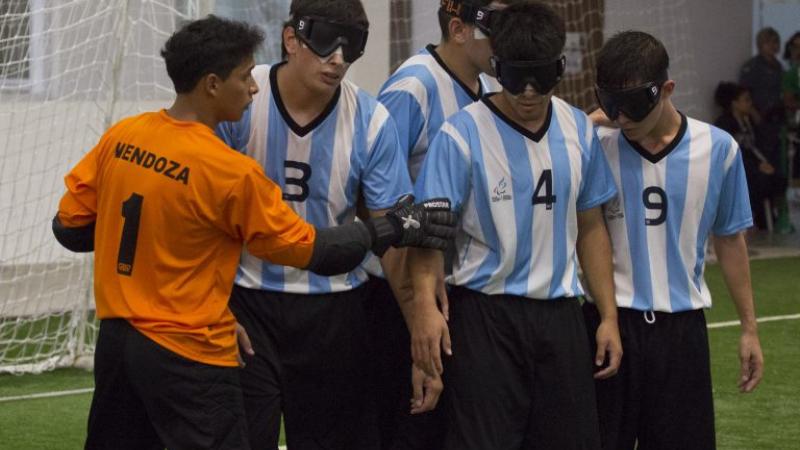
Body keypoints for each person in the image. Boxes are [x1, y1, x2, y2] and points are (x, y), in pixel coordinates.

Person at [52, 15, 456, 450]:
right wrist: (397, 224)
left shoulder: (123, 136)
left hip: (117, 343)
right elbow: (316, 250)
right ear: (211, 85)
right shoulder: (229, 171)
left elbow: (70, 228)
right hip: (190, 348)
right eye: (244, 77)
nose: (253, 87)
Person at [408, 3, 622, 449]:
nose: (527, 92)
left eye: (540, 78)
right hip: (486, 317)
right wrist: (425, 311)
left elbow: (591, 227)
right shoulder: (459, 135)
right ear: (496, 65)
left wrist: (608, 315)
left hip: (561, 316)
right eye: (514, 76)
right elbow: (429, 238)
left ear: (560, 68)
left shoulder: (578, 130)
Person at [214, 1, 425, 448]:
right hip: (246, 306)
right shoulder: (240, 100)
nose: (339, 59)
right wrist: (213, 309)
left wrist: (420, 328)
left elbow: (394, 237)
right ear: (291, 39)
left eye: (353, 46)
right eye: (327, 41)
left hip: (334, 312)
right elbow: (201, 218)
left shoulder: (372, 121)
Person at [589, 30, 765, 450]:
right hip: (608, 325)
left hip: (681, 334)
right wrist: (586, 120)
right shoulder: (594, 145)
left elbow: (729, 240)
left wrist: (749, 328)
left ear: (666, 89)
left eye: (632, 106)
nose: (621, 118)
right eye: (611, 104)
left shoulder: (718, 150)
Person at [365, 1, 516, 448]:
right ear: (459, 29)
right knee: (409, 425)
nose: (505, 42)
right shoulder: (414, 87)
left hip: (456, 289)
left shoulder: (490, 87)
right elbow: (374, 193)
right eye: (497, 30)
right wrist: (412, 307)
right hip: (401, 294)